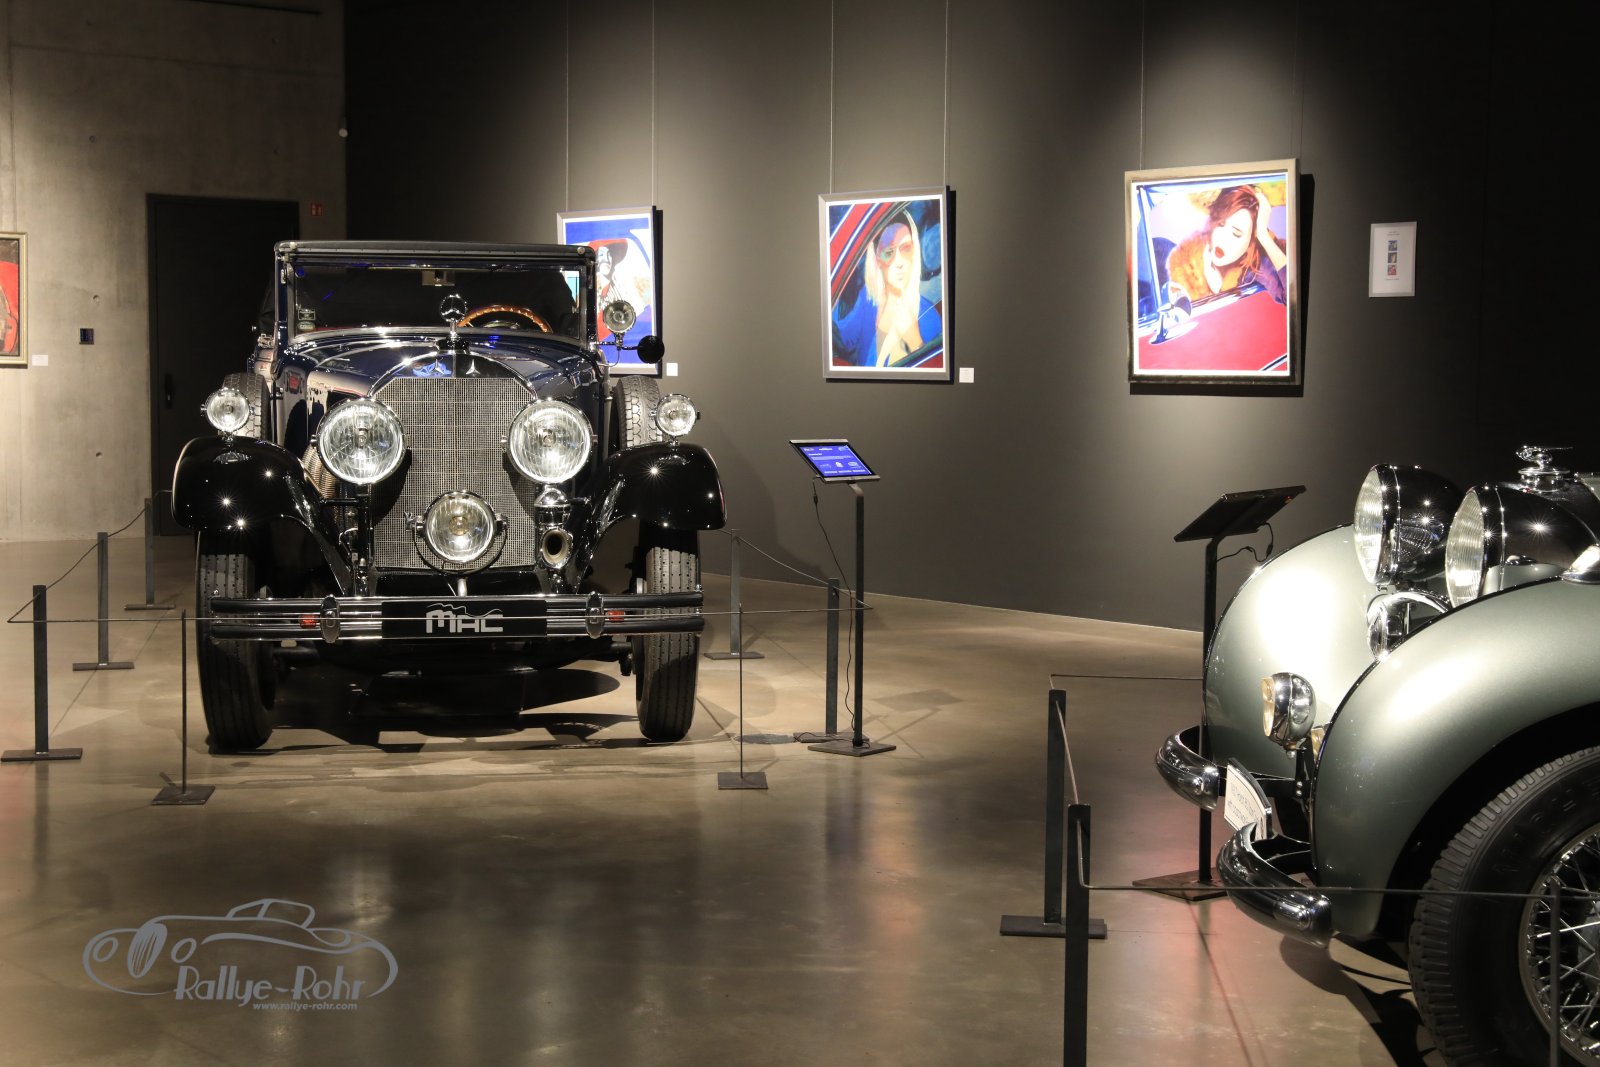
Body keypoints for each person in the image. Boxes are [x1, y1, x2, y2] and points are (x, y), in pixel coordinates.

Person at [833, 213, 942, 367]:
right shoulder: (867, 300)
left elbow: (935, 370)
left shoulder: (929, 315)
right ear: (877, 258)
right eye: (889, 252)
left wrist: (915, 342)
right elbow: (842, 339)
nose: (899, 262)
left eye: (906, 249)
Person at [1165, 185, 1288, 306]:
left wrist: (1263, 236)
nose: (1223, 238)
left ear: (1251, 243)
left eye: (1236, 233)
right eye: (1221, 224)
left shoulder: (1256, 266)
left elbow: (1292, 295)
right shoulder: (1185, 260)